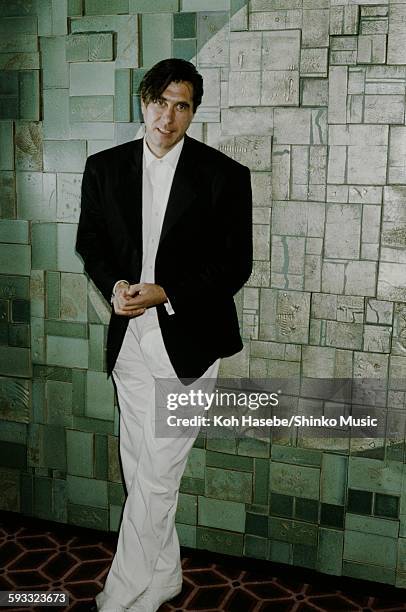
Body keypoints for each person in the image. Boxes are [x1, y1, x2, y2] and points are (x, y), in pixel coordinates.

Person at [76, 58, 252, 612]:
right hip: (129, 343)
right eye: (160, 101)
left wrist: (166, 291)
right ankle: (166, 576)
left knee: (157, 477)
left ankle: (121, 595)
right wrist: (118, 285)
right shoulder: (104, 168)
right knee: (140, 467)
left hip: (191, 346)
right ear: (143, 101)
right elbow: (93, 242)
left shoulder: (224, 175)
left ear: (193, 111)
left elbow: (235, 266)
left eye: (182, 105)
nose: (168, 116)